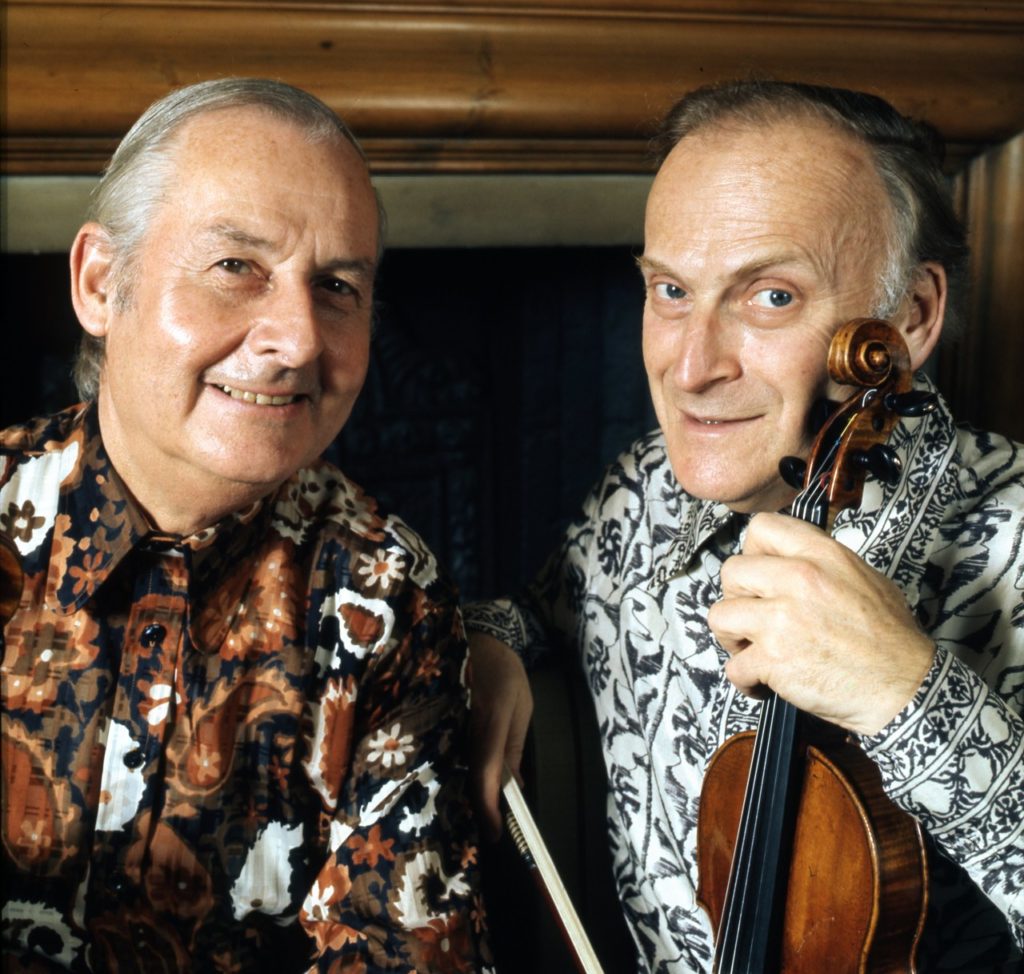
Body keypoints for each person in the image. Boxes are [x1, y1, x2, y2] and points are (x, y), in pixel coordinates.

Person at [467, 80, 1023, 972]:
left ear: (912, 316)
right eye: (671, 290)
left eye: (770, 297)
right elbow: (543, 607)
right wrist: (492, 643)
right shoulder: (643, 490)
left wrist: (909, 695)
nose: (690, 367)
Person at [1, 78, 493, 973]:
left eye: (336, 286)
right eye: (236, 267)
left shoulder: (387, 596)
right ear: (101, 283)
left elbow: (403, 953)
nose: (299, 339)